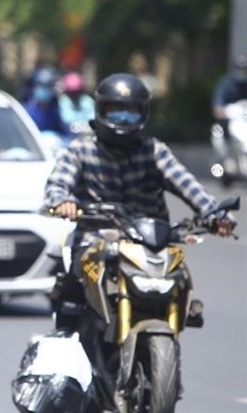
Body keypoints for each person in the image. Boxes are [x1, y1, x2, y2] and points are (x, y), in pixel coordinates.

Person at [44, 73, 235, 330]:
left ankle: (180, 307)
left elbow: (189, 185)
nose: (123, 118)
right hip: (96, 237)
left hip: (150, 242)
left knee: (179, 272)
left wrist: (216, 214)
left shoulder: (154, 150)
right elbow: (58, 184)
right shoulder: (81, 150)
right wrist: (62, 201)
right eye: (115, 110)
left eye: (131, 111)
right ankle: (68, 330)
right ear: (101, 110)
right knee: (73, 286)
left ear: (143, 114)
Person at [211, 52, 247, 168]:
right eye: (239, 68)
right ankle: (226, 161)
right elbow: (217, 109)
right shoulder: (226, 84)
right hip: (228, 124)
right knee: (217, 135)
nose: (242, 72)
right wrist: (227, 111)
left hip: (244, 122)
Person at [23, 66, 68, 137]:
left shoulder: (55, 111)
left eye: (48, 86)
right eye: (41, 86)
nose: (44, 90)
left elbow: (64, 133)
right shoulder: (27, 111)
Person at [57, 71, 95, 136]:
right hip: (68, 137)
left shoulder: (88, 101)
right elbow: (67, 122)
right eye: (71, 92)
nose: (74, 95)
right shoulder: (64, 102)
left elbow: (92, 120)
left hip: (88, 136)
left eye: (77, 91)